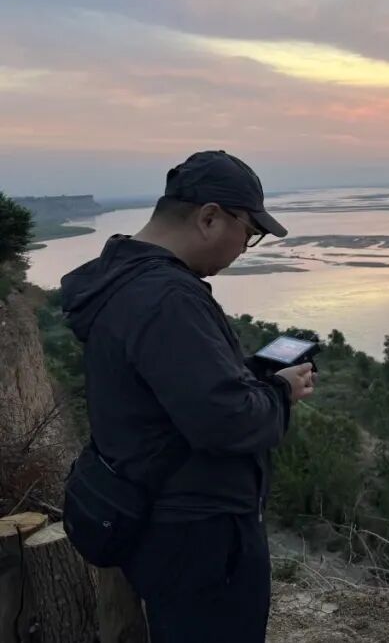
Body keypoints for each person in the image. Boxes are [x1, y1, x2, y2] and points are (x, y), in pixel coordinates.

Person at [60, 150, 316, 642]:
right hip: (198, 536)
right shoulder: (168, 297)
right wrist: (282, 391)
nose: (245, 247)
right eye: (249, 232)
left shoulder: (122, 280)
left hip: (160, 519)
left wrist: (242, 375)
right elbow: (227, 423)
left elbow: (168, 388)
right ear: (209, 218)